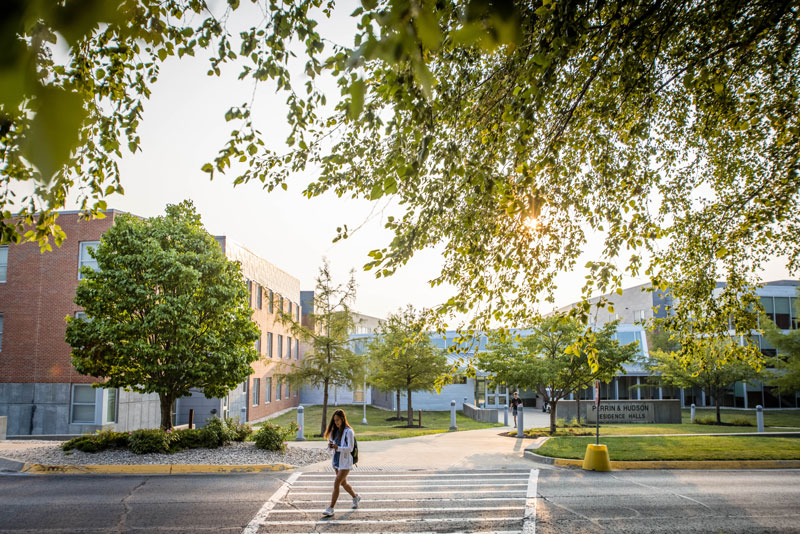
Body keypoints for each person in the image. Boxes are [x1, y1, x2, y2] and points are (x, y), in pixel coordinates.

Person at [322, 409, 360, 517]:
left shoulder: (349, 431)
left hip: (346, 462)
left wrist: (337, 447)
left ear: (343, 419)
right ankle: (355, 497)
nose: (336, 422)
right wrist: (331, 446)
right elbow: (331, 446)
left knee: (337, 483)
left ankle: (331, 508)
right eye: (334, 421)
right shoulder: (334, 431)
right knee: (343, 483)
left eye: (338, 420)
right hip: (336, 461)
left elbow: (350, 448)